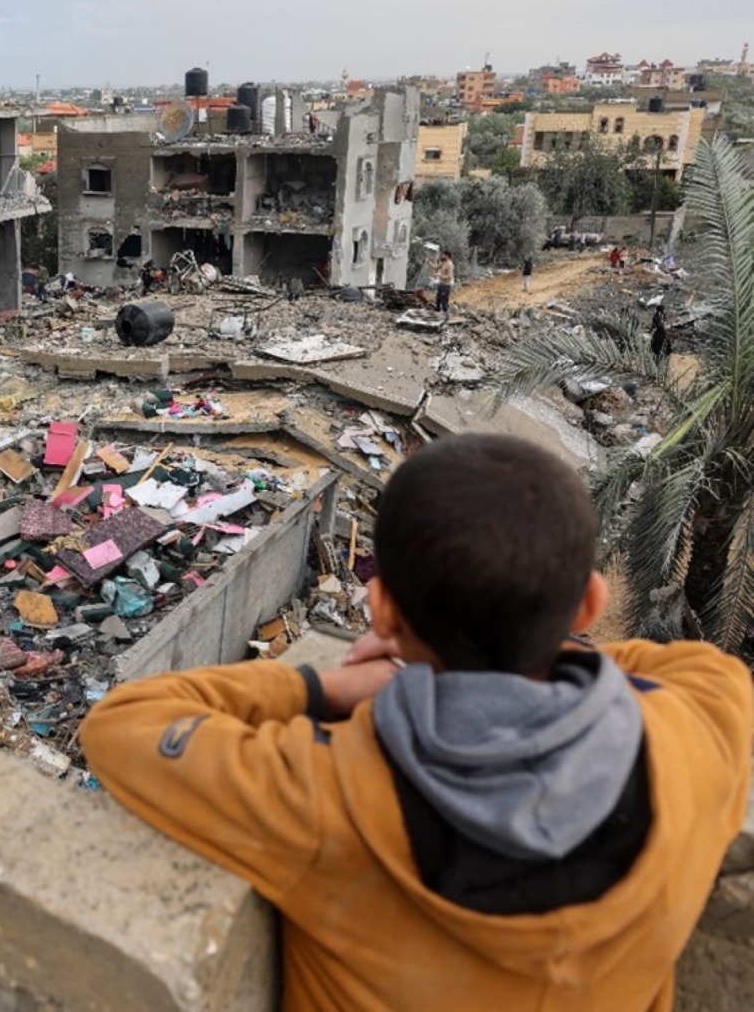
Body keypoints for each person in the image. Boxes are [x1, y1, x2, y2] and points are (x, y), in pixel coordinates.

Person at [81, 433, 751, 1012]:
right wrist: (533, 641)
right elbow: (696, 669)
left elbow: (125, 724)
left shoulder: (325, 796)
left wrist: (330, 684)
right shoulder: (696, 736)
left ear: (384, 614)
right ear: (589, 607)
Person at [430, 250, 455, 315]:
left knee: (444, 301)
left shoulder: (450, 265)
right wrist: (428, 262)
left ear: (447, 256)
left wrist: (439, 275)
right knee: (438, 300)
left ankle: (445, 316)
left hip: (446, 286)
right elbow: (435, 267)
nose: (442, 256)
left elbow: (449, 276)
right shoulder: (443, 263)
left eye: (443, 255)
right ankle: (437, 314)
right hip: (441, 284)